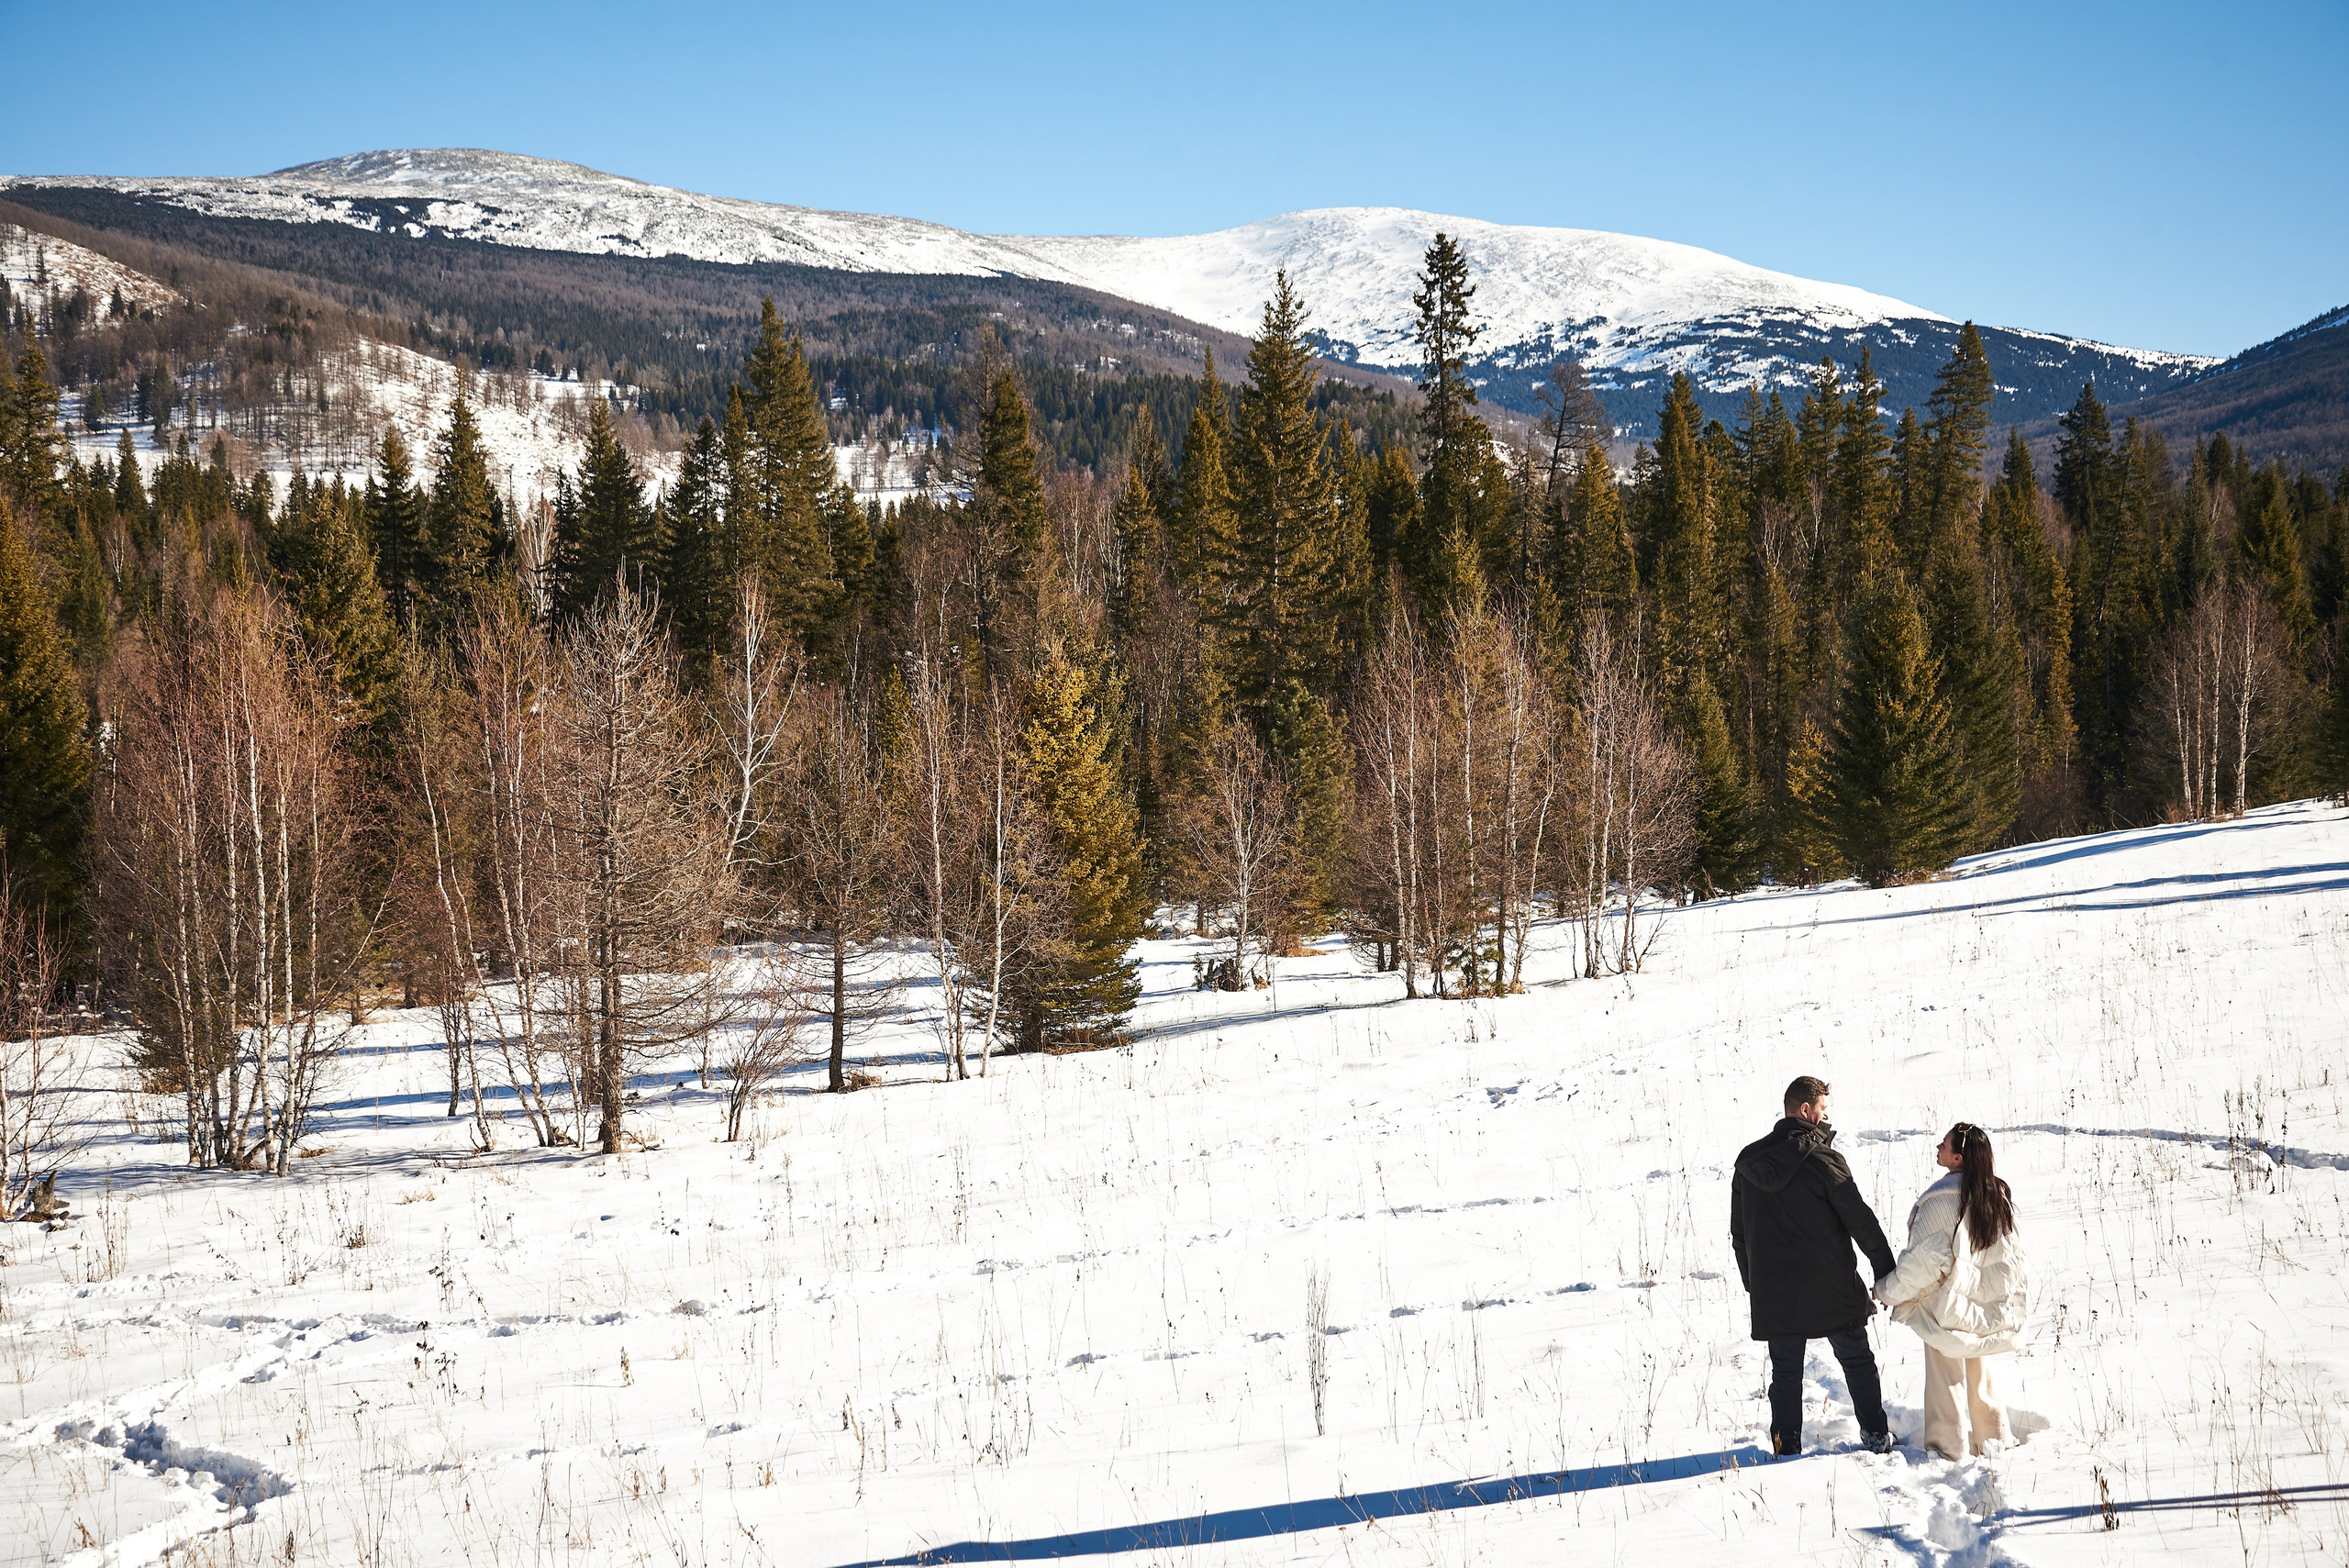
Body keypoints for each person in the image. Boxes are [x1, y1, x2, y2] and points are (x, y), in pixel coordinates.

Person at [1731, 1074, 1899, 1456]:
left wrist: (1754, 1284)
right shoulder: (1825, 1160)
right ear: (1806, 1110)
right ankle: (1876, 1439)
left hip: (1776, 1293)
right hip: (1832, 1288)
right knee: (1857, 1362)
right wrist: (1889, 1275)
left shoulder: (1749, 1162)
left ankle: (1785, 1447)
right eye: (1823, 1110)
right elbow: (1862, 1222)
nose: (1825, 1118)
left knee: (1786, 1374)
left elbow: (1739, 1235)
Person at [1875, 1122, 2028, 1460]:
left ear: (1958, 1158)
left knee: (1945, 1375)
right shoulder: (1995, 1195)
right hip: (1981, 1304)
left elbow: (1924, 1262)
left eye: (1944, 1145)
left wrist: (1887, 1291)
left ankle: (1948, 1446)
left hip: (1946, 1305)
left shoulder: (1943, 1200)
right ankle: (1995, 1437)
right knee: (1979, 1368)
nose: (1937, 1148)